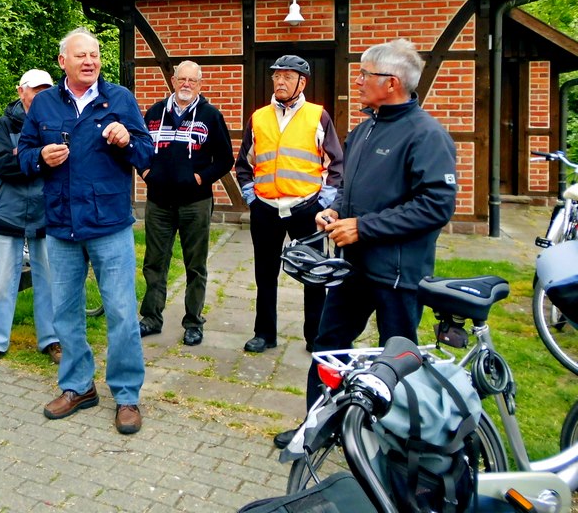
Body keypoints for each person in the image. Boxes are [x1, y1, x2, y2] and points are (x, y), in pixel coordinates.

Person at [274, 39, 457, 449]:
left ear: (390, 83)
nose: (357, 82)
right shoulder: (365, 127)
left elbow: (436, 206)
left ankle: (403, 445)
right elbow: (346, 187)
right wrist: (335, 210)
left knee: (399, 362)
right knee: (328, 349)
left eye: (364, 75)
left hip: (397, 273)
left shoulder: (426, 134)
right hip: (352, 267)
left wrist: (364, 227)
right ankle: (318, 427)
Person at [17, 28, 153, 435]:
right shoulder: (43, 104)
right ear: (63, 62)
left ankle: (127, 395)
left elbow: (146, 154)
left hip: (109, 223)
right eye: (81, 56)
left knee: (122, 312)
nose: (90, 61)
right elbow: (21, 157)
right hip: (61, 225)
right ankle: (78, 387)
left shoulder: (120, 99)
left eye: (94, 55)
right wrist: (39, 156)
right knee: (65, 311)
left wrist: (127, 139)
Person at [235, 55, 343, 354]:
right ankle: (264, 333)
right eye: (276, 77)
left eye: (286, 77)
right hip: (266, 208)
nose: (280, 82)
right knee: (265, 274)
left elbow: (336, 163)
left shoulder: (317, 116)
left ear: (301, 82)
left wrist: (323, 203)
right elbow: (244, 163)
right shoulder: (258, 118)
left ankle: (315, 337)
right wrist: (251, 199)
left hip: (306, 208)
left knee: (314, 274)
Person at [138, 60, 234, 346]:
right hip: (158, 203)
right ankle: (152, 318)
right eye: (182, 79)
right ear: (173, 79)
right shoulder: (155, 112)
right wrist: (146, 173)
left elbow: (226, 159)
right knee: (154, 263)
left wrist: (200, 178)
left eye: (193, 80)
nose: (186, 85)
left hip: (195, 203)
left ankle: (193, 322)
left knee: (196, 266)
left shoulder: (210, 115)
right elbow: (141, 148)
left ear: (200, 84)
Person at [0, 69, 61, 366]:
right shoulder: (4, 124)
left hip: (46, 212)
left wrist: (25, 157)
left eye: (46, 90)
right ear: (20, 91)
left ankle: (52, 339)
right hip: (6, 213)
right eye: (35, 89)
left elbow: (64, 163)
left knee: (50, 280)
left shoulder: (57, 122)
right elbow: (2, 166)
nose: (40, 95)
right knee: (1, 281)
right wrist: (40, 159)